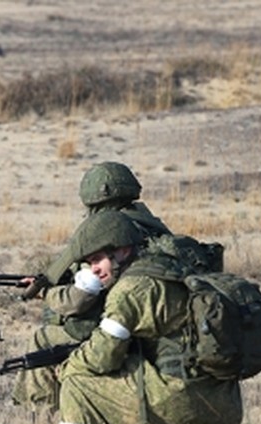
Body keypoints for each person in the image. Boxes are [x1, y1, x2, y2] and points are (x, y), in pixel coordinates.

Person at [55, 211, 261, 424]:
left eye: (97, 261)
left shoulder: (132, 288)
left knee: (76, 384)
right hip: (220, 405)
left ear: (122, 250)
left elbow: (102, 357)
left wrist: (67, 364)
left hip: (176, 401)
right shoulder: (180, 267)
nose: (94, 271)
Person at [14, 162, 172, 409]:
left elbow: (78, 301)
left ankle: (39, 416)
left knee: (43, 338)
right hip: (152, 325)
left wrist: (45, 292)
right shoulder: (153, 227)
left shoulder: (107, 232)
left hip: (115, 330)